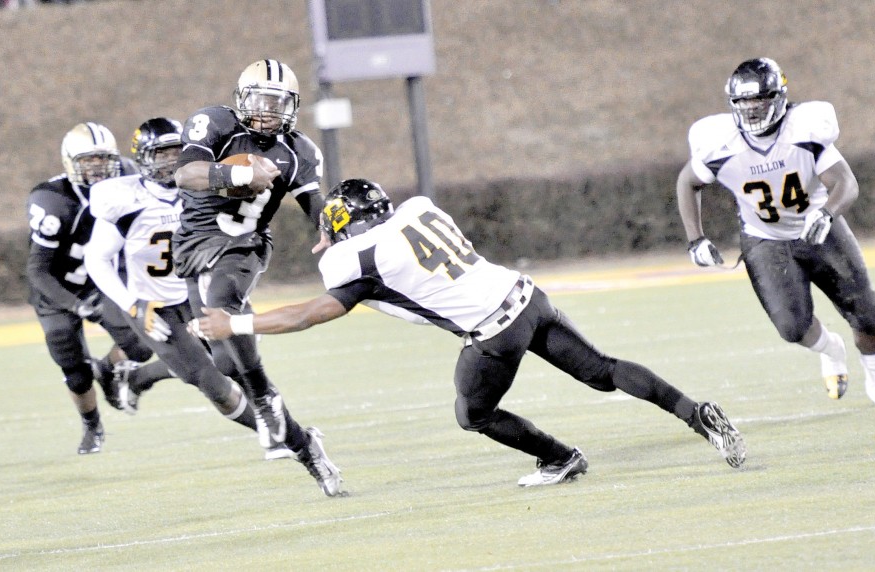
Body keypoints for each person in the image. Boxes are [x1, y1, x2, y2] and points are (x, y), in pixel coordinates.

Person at [191, 179, 747, 488]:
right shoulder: (418, 209)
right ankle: (698, 414)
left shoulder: (355, 258)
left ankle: (559, 458)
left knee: (472, 414)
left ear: (341, 226)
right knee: (603, 371)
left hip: (493, 331)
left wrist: (234, 322)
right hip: (527, 297)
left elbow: (309, 314)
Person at [83, 117, 310, 470]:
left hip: (200, 290)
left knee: (235, 361)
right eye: (161, 154)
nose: (172, 161)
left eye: (178, 152)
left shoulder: (208, 187)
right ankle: (279, 434)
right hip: (155, 306)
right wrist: (132, 305)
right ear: (142, 158)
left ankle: (139, 377)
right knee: (210, 382)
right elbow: (96, 259)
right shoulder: (124, 199)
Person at [675, 57, 875, 407]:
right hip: (765, 239)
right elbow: (687, 182)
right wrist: (695, 239)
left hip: (819, 229)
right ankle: (831, 349)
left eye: (759, 100)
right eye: (743, 102)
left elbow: (845, 182)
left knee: (866, 314)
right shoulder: (719, 142)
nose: (751, 109)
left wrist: (827, 213)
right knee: (792, 328)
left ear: (778, 97)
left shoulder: (803, 130)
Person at [172, 59, 344, 496]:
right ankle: (306, 446)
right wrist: (239, 173)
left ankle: (265, 397)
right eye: (261, 100)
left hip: (245, 244)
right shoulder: (214, 123)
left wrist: (331, 227)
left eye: (277, 103)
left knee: (221, 305)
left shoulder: (299, 150)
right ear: (241, 98)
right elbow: (186, 173)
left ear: (293, 107)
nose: (268, 111)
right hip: (195, 243)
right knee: (225, 362)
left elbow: (315, 204)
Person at [26, 122, 173, 455]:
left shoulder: (130, 179)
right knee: (75, 371)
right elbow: (37, 271)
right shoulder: (52, 200)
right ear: (70, 162)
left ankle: (106, 368)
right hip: (57, 289)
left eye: (103, 158)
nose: (97, 167)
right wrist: (76, 306)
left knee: (140, 345)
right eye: (88, 160)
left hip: (102, 279)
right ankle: (92, 425)